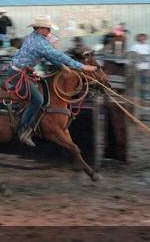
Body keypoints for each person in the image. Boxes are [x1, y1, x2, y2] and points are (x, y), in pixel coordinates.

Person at [7, 15, 98, 147]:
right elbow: (56, 55)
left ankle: (38, 120)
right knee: (37, 99)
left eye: (49, 29)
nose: (49, 31)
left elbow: (49, 55)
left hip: (22, 71)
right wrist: (81, 66)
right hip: (18, 74)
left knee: (44, 84)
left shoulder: (34, 37)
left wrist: (61, 66)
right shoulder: (39, 42)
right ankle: (23, 130)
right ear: (40, 28)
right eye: (47, 29)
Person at [130, 33, 150, 99]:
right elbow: (131, 56)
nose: (142, 38)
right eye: (140, 37)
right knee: (136, 83)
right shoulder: (134, 46)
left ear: (145, 38)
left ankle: (143, 97)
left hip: (145, 68)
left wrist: (149, 66)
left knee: (144, 83)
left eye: (143, 37)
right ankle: (136, 97)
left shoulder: (148, 47)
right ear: (137, 38)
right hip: (137, 68)